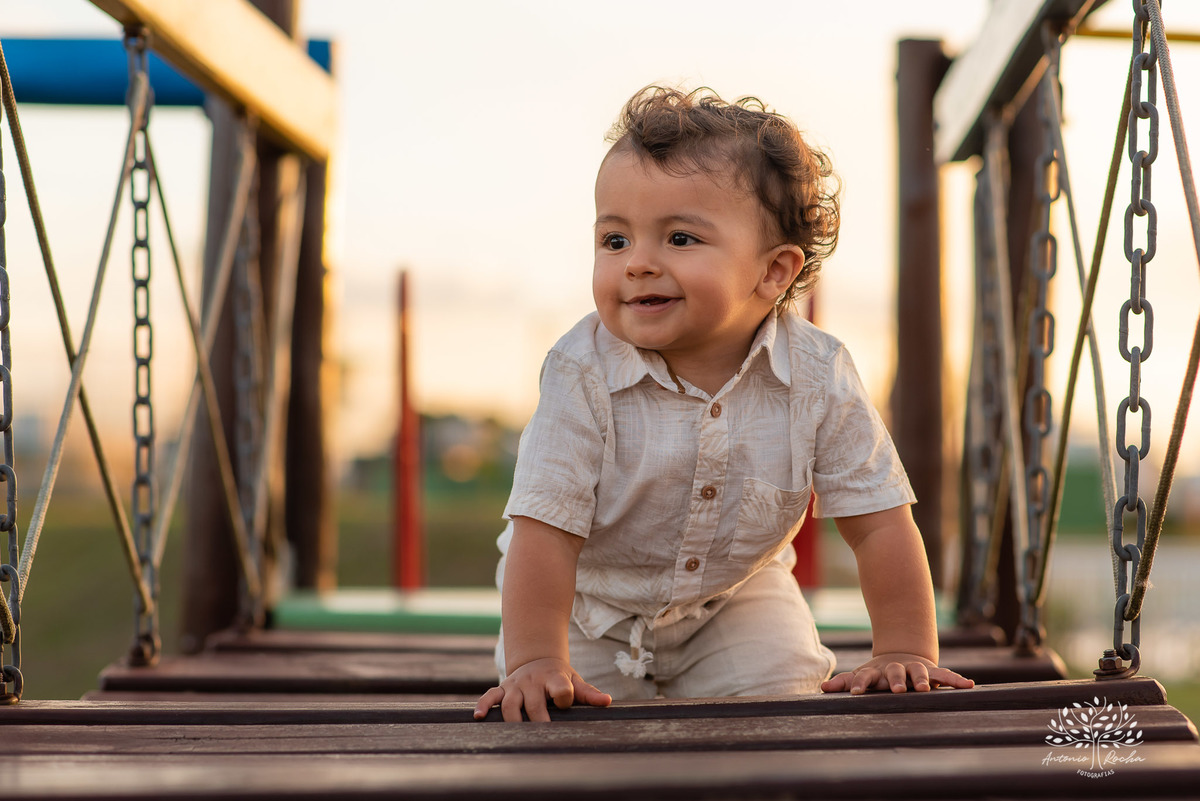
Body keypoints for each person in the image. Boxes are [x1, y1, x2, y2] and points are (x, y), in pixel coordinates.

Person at [473, 86, 974, 723]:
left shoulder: (817, 374)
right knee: (565, 726)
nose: (638, 265)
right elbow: (543, 532)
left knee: (784, 706)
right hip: (580, 607)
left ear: (773, 273)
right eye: (615, 240)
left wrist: (904, 648)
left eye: (680, 239)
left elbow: (878, 520)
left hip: (734, 597)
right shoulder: (582, 371)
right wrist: (536, 658)